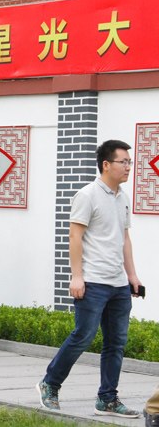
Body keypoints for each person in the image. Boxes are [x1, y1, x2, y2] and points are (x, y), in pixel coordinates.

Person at [37, 140, 143, 418]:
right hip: (93, 281)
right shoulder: (87, 195)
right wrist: (77, 276)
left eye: (129, 162)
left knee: (116, 343)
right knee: (83, 336)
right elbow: (75, 236)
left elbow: (125, 238)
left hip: (118, 283)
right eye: (123, 162)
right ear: (106, 164)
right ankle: (50, 384)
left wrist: (132, 275)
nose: (128, 167)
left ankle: (107, 399)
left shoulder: (123, 197)